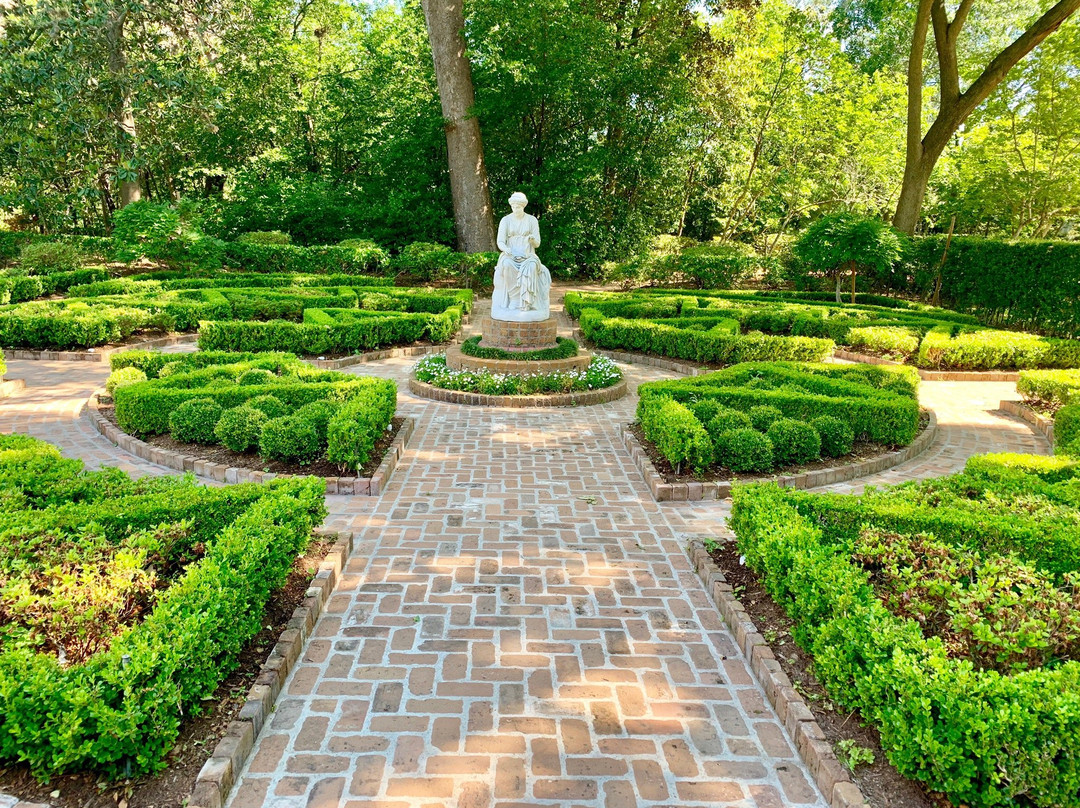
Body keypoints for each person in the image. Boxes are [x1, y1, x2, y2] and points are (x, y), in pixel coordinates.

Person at [492, 192, 550, 322]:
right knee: (506, 265)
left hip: (528, 255)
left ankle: (526, 301)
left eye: (518, 207)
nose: (515, 209)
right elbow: (500, 241)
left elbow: (537, 243)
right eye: (513, 206)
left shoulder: (532, 220)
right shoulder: (505, 220)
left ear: (523, 206)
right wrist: (506, 249)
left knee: (531, 266)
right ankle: (514, 299)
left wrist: (532, 240)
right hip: (510, 255)